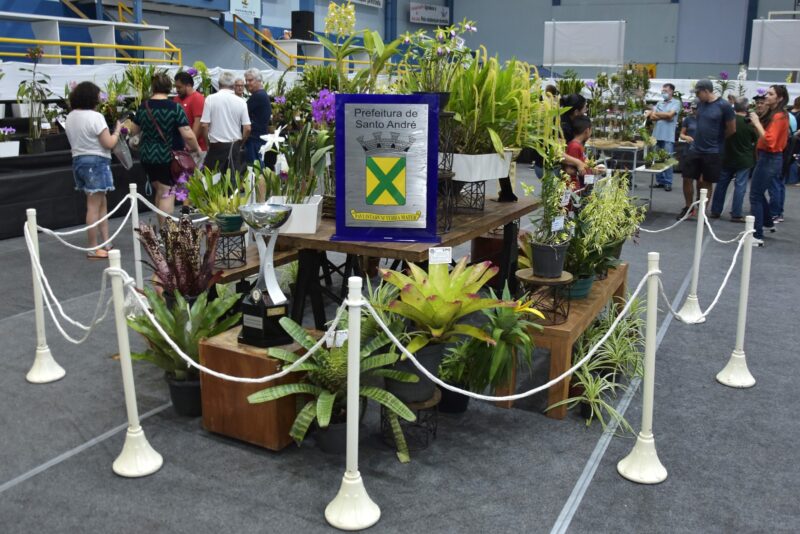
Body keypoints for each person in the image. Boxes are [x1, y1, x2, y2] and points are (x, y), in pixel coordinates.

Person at [129, 72, 201, 224]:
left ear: (153, 87)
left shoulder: (144, 106)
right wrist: (196, 149)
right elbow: (187, 134)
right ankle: (165, 233)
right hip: (168, 157)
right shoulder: (174, 108)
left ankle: (161, 230)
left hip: (147, 156)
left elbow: (134, 131)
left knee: (160, 190)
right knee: (168, 193)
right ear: (169, 87)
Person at [64, 81, 124, 259]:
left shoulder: (71, 116)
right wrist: (118, 131)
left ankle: (106, 242)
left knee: (100, 203)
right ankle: (92, 247)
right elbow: (109, 143)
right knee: (94, 206)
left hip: (79, 161)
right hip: (96, 162)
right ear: (92, 97)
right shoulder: (95, 117)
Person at [677, 79, 736, 220]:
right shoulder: (700, 104)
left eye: (698, 92)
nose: (697, 95)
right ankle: (688, 207)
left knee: (706, 182)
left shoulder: (724, 106)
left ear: (706, 91)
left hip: (712, 151)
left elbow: (732, 129)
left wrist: (718, 140)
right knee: (687, 177)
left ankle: (702, 211)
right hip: (695, 148)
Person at [748, 85, 790, 247]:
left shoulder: (779, 116)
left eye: (771, 94)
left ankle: (757, 235)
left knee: (755, 196)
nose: (766, 96)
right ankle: (767, 223)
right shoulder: (777, 115)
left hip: (770, 158)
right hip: (769, 158)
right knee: (759, 194)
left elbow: (769, 141)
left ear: (779, 98)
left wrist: (757, 123)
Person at [709, 98, 758, 222]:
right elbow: (756, 140)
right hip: (744, 159)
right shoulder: (749, 124)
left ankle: (715, 210)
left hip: (727, 157)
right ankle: (736, 214)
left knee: (721, 185)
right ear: (746, 108)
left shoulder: (728, 121)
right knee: (740, 187)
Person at [200, 71, 251, 176]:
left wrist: (207, 143)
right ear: (233, 86)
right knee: (232, 181)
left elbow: (204, 125)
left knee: (213, 181)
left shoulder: (210, 99)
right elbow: (247, 128)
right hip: (234, 145)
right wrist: (241, 142)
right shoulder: (241, 102)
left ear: (218, 84)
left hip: (215, 145)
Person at [647, 83, 682, 192]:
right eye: (663, 91)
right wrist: (664, 115)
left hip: (668, 136)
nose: (664, 93)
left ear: (671, 91)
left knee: (667, 160)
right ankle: (660, 181)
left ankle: (668, 182)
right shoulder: (659, 102)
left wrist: (659, 114)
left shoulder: (676, 102)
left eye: (666, 91)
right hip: (656, 135)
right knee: (657, 159)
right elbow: (652, 117)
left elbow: (670, 116)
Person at [770, 97, 799, 222]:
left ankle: (775, 212)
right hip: (788, 151)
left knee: (776, 183)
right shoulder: (789, 117)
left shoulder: (781, 117)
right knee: (780, 182)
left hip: (780, 151)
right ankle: (778, 212)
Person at [173, 70, 207, 153]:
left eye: (179, 87)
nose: (177, 90)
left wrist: (191, 144)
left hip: (195, 148)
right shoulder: (176, 99)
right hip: (180, 148)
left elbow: (198, 123)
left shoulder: (197, 98)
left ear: (188, 85)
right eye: (176, 87)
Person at [243, 67, 271, 166]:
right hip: (258, 138)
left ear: (259, 81)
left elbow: (243, 111)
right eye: (246, 80)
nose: (247, 83)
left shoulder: (258, 96)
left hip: (255, 140)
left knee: (254, 170)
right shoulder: (261, 94)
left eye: (250, 80)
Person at [564, 115, 592, 188]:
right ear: (587, 130)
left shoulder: (578, 145)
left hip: (577, 186)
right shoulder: (575, 146)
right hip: (573, 187)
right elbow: (568, 170)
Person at [786, 96, 800, 187]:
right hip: (797, 138)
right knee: (796, 157)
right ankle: (793, 179)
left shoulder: (787, 112)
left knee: (788, 155)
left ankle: (787, 177)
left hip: (788, 137)